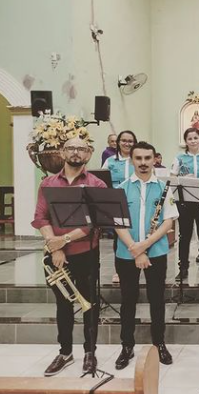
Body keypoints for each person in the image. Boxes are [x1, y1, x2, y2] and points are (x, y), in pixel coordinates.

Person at [32, 137, 106, 377]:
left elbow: (93, 222)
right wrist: (54, 246)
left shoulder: (96, 185)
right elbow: (41, 217)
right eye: (71, 148)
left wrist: (62, 241)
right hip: (56, 255)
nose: (76, 152)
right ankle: (65, 352)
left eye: (81, 149)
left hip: (86, 252)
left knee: (89, 304)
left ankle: (90, 352)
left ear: (88, 154)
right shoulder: (48, 183)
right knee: (63, 305)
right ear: (63, 152)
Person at [114, 141, 178, 370]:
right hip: (127, 253)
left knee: (157, 299)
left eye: (147, 158)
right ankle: (126, 345)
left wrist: (145, 245)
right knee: (128, 300)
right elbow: (117, 224)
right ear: (132, 160)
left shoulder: (164, 188)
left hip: (156, 252)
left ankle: (159, 343)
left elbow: (168, 222)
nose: (143, 163)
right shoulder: (121, 188)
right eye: (138, 158)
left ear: (154, 160)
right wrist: (134, 248)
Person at [170, 128, 199, 280]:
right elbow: (172, 178)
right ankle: (183, 268)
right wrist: (184, 178)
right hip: (185, 202)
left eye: (196, 138)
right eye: (190, 138)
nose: (193, 141)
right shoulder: (179, 158)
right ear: (185, 141)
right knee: (184, 236)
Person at [103, 130, 137, 284]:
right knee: (119, 239)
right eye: (124, 140)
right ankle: (119, 270)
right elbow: (103, 182)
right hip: (117, 205)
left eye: (130, 141)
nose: (127, 144)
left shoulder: (138, 159)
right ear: (118, 143)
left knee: (137, 235)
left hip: (136, 203)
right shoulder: (110, 161)